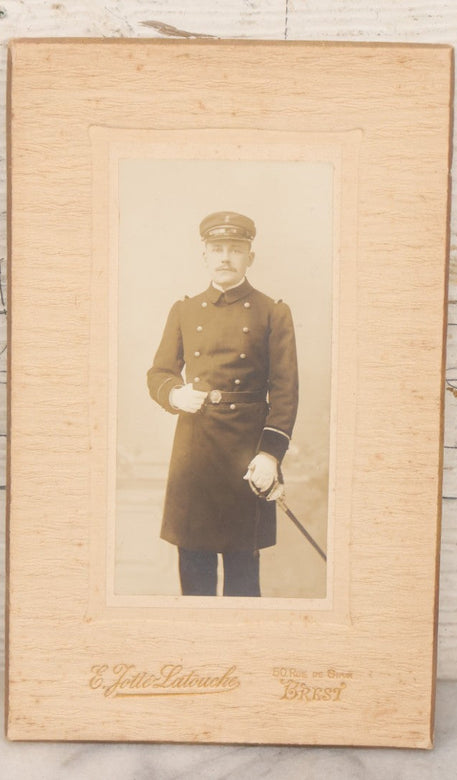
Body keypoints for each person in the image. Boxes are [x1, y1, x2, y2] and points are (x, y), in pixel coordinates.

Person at [147, 211, 299, 596]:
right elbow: (159, 373)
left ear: (251, 257)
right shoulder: (184, 310)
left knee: (243, 578)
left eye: (236, 249)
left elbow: (285, 391)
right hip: (194, 453)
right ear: (204, 256)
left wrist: (270, 456)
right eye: (217, 249)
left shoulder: (273, 312)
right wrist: (175, 395)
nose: (225, 257)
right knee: (193, 573)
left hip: (246, 455)